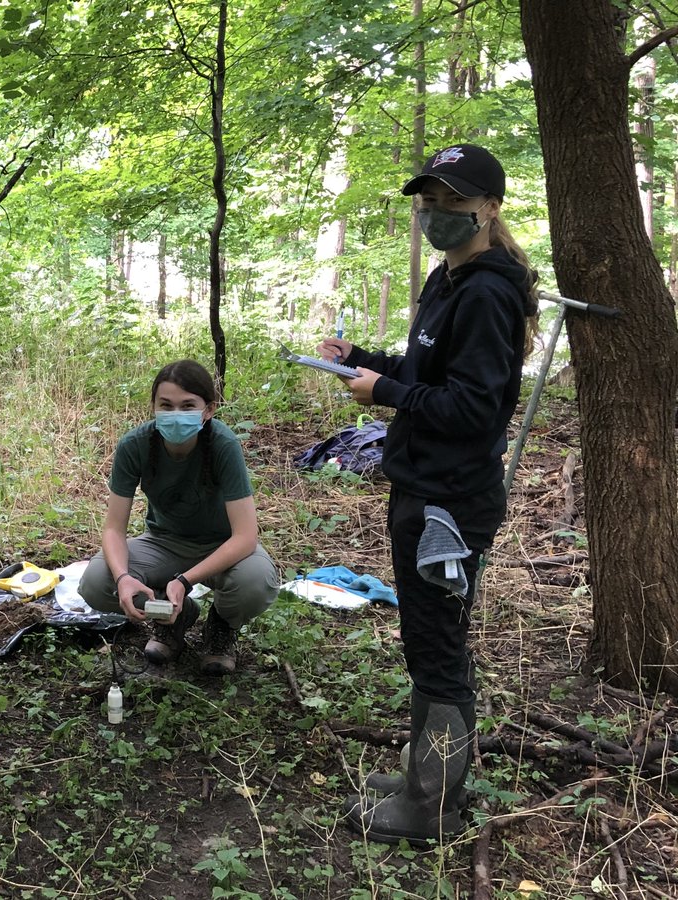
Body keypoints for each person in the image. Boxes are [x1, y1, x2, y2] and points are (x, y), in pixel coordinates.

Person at [316, 144, 538, 846]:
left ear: (490, 207)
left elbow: (474, 408)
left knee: (437, 646)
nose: (436, 214)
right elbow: (427, 374)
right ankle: (424, 775)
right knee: (427, 639)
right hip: (422, 487)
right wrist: (368, 365)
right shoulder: (450, 280)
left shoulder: (487, 292)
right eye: (428, 202)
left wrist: (385, 394)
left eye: (452, 201)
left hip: (450, 504)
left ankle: (432, 809)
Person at [78, 360, 279, 675]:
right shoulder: (135, 444)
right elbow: (114, 530)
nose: (175, 414)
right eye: (166, 405)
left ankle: (221, 626)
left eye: (187, 406)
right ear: (154, 407)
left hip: (222, 546)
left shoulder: (222, 445)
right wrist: (124, 578)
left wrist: (185, 580)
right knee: (97, 582)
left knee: (255, 582)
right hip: (163, 542)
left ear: (208, 409)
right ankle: (174, 616)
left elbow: (245, 536)